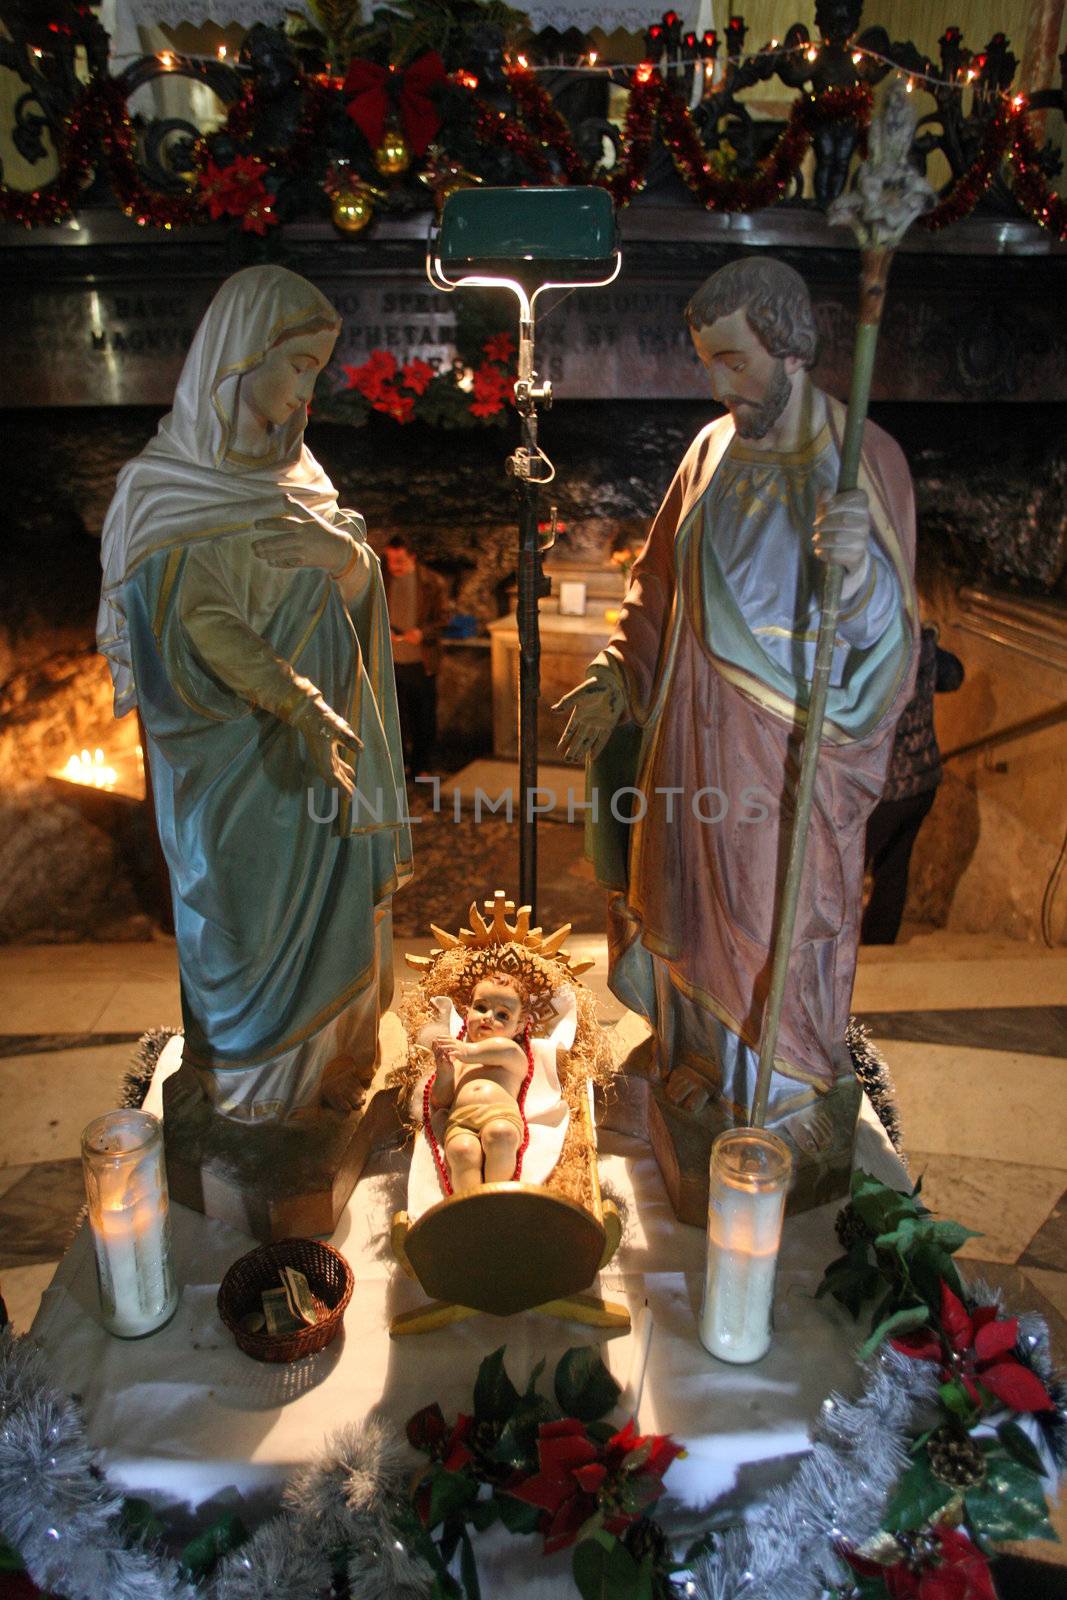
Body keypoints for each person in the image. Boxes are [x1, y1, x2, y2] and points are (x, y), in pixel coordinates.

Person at [555, 256, 919, 1136]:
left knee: (771, 926)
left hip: (789, 751)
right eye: (706, 361)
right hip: (689, 736)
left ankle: (777, 1092)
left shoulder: (858, 459)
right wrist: (617, 673)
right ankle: (695, 1063)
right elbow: (656, 589)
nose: (717, 384)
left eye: (733, 361)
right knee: (683, 897)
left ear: (790, 349)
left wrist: (860, 568)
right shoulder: (709, 451)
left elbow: (890, 636)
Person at [97, 265, 412, 1123]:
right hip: (230, 762)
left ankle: (334, 1062)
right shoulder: (162, 491)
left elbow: (355, 581)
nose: (313, 389)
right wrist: (297, 703)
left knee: (330, 911)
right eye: (301, 366)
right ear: (241, 362)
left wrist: (341, 560)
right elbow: (198, 622)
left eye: (318, 367)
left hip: (318, 759)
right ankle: (252, 1094)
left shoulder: (299, 472)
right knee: (238, 921)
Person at [862, 624, 964, 943]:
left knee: (846, 869)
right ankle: (880, 946)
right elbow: (954, 677)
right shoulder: (920, 644)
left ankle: (833, 949)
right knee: (893, 868)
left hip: (889, 787)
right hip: (923, 783)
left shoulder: (874, 647)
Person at [429, 974, 532, 1193]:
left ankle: (495, 1199)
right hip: (460, 1121)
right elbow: (441, 1101)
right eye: (481, 1007)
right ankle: (470, 1207)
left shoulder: (512, 1053)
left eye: (503, 1015)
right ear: (467, 1013)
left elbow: (501, 1049)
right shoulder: (459, 1059)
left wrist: (467, 1050)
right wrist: (445, 1072)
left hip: (500, 1115)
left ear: (519, 1027)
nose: (488, 1017)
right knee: (461, 1150)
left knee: (500, 1134)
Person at [382, 534, 450, 778]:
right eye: (390, 561)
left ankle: (421, 766)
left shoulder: (431, 583)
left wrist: (422, 634)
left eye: (399, 561)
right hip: (391, 662)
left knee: (423, 717)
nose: (394, 567)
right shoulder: (384, 580)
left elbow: (444, 618)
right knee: (394, 718)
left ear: (412, 557)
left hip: (421, 662)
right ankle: (399, 766)